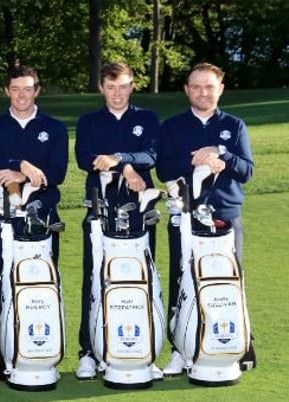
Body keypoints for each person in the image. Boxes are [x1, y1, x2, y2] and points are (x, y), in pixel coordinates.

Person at [157, 63, 256, 374]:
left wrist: (221, 154)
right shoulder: (172, 126)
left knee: (229, 281)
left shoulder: (234, 125)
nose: (203, 92)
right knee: (182, 281)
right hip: (185, 216)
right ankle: (180, 350)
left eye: (209, 87)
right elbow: (164, 170)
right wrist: (197, 161)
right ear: (187, 89)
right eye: (197, 87)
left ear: (220, 89)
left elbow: (247, 171)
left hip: (226, 215)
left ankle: (237, 344)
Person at [0, 65, 69, 379]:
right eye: (15, 88)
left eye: (27, 88)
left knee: (42, 287)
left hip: (44, 218)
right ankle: (0, 356)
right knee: (2, 286)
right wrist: (21, 165)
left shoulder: (54, 128)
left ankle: (41, 353)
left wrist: (16, 170)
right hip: (4, 218)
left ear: (37, 91)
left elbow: (55, 174)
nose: (21, 95)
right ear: (6, 91)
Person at [73, 62, 161, 379]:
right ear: (101, 88)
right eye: (110, 87)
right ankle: (88, 352)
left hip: (140, 209)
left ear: (132, 85)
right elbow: (86, 159)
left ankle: (144, 351)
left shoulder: (147, 118)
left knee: (142, 279)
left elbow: (151, 155)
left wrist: (119, 160)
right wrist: (126, 165)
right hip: (100, 209)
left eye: (123, 86)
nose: (117, 94)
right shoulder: (88, 121)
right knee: (95, 278)